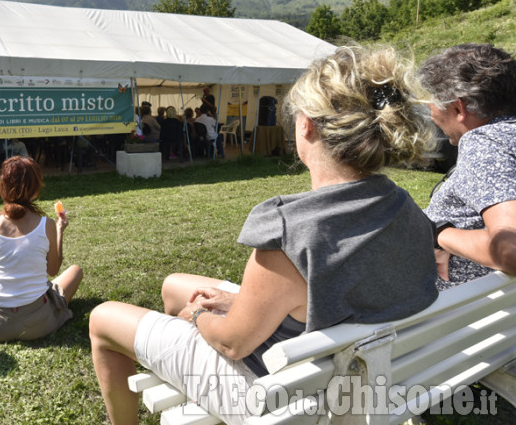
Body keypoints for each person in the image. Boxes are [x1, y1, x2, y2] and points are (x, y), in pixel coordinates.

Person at [89, 46, 439, 425]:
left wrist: (196, 318)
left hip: (280, 396)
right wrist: (234, 301)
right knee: (175, 284)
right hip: (350, 372)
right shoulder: (404, 207)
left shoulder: (292, 230)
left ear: (306, 126)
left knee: (103, 318)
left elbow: (231, 342)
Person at [419, 43, 516, 288]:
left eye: (432, 105)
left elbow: (511, 250)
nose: (431, 115)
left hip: (469, 317)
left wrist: (439, 234)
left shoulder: (486, 142)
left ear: (458, 107)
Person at [0, 156, 83, 342]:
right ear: (35, 189)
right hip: (39, 323)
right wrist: (59, 230)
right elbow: (53, 270)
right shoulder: (46, 224)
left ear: (3, 186)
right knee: (76, 271)